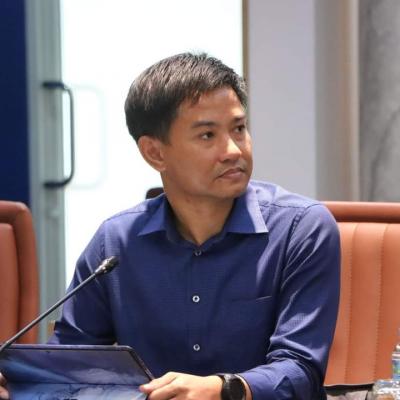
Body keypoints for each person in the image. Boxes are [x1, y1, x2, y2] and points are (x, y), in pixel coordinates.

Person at [0, 52, 340, 400]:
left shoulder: (301, 229)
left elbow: (300, 370)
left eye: (239, 129)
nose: (233, 150)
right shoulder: (114, 243)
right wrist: (15, 383)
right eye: (207, 135)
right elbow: (69, 368)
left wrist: (222, 389)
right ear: (154, 153)